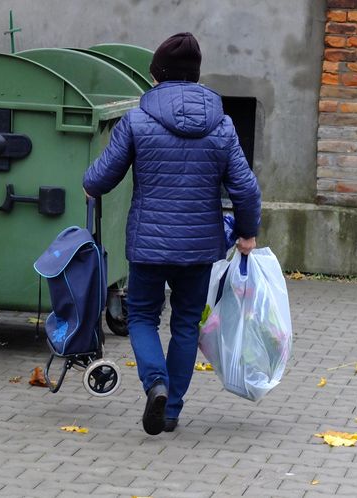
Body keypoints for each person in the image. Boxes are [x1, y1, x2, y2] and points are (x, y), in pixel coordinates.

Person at [83, 32, 261, 435]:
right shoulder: (223, 125)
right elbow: (246, 188)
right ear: (196, 76)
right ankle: (172, 411)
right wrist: (247, 233)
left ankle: (155, 384)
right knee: (184, 324)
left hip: (148, 245)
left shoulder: (137, 120)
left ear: (157, 75)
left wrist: (89, 185)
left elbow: (99, 178)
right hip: (199, 248)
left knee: (143, 317)